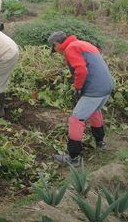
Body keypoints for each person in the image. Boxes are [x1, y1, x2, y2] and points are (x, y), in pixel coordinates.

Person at [48, 31, 112, 167]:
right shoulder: (84, 44)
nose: (57, 52)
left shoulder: (71, 48)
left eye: (54, 49)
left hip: (95, 88)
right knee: (95, 111)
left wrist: (77, 88)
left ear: (56, 44)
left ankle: (72, 157)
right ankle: (100, 142)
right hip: (107, 86)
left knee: (76, 119)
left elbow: (81, 70)